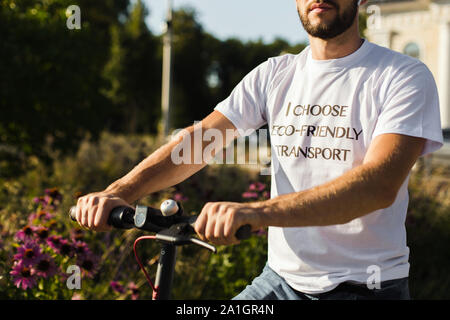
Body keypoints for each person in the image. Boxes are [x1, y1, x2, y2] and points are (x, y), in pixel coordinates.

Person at [74, 0, 444, 300]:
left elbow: (377, 186)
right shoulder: (275, 74)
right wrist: (117, 192)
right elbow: (200, 141)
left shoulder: (403, 75)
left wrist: (256, 212)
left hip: (366, 287)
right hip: (281, 283)